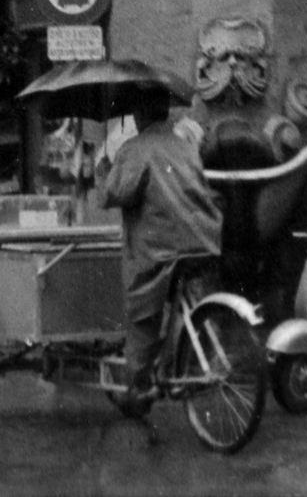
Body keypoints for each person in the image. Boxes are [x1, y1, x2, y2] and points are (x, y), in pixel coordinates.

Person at [96, 87, 223, 418]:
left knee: (144, 314)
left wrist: (103, 170)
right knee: (186, 302)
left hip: (161, 247)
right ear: (167, 112)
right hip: (203, 239)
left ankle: (136, 387)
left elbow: (114, 193)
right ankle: (168, 370)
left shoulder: (135, 148)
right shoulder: (184, 145)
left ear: (138, 116)